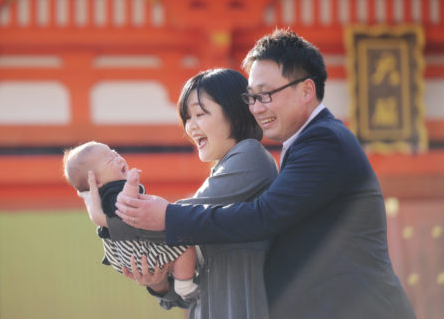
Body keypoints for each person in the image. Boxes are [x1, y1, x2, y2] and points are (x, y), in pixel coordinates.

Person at [115, 29, 416, 319]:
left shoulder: (322, 141)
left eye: (266, 94)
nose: (257, 108)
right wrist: (162, 281)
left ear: (306, 90)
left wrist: (166, 217)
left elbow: (265, 216)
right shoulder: (300, 146)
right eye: (252, 97)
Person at [94, 68, 278, 319]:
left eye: (200, 114)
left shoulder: (250, 155)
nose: (191, 127)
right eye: (187, 118)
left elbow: (176, 217)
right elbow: (187, 292)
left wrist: (111, 216)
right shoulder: (222, 170)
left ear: (235, 113)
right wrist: (158, 283)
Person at [63, 141, 198, 300]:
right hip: (140, 251)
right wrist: (132, 184)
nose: (119, 158)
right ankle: (184, 283)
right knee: (185, 246)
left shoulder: (102, 197)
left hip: (132, 255)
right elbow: (125, 203)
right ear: (96, 181)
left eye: (115, 153)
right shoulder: (113, 191)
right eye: (110, 160)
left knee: (177, 252)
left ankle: (182, 280)